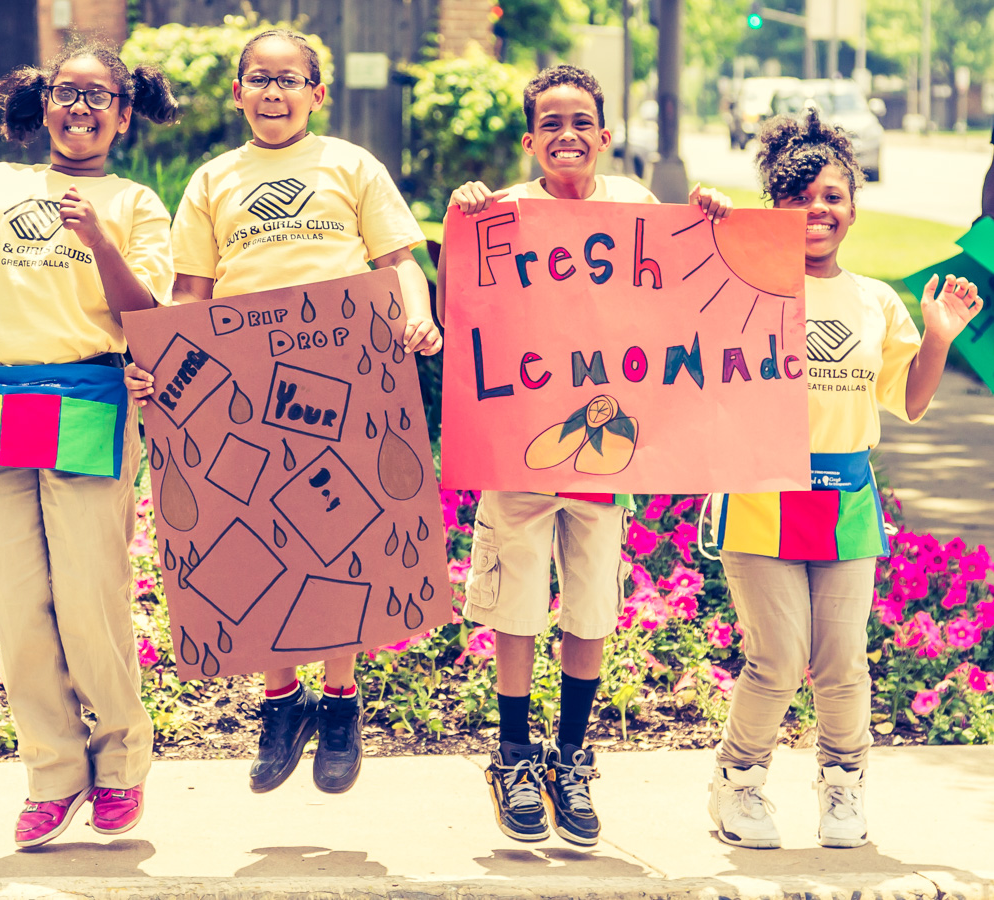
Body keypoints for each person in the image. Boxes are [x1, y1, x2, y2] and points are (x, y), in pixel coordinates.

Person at [124, 28, 441, 796]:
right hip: (240, 386)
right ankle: (278, 701)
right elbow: (190, 295)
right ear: (237, 93)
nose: (273, 92)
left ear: (315, 94)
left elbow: (398, 264)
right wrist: (161, 365)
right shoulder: (212, 180)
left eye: (289, 80)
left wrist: (419, 316)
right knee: (257, 528)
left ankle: (338, 701)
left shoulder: (350, 166)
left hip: (345, 368)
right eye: (259, 80)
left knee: (342, 534)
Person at [437, 64, 731, 847]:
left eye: (581, 122)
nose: (566, 135)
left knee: (590, 606)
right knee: (515, 603)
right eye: (550, 124)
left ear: (604, 135)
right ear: (530, 140)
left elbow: (685, 292)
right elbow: (459, 313)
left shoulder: (637, 208)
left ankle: (570, 755)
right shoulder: (500, 214)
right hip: (520, 453)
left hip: (606, 458)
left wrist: (709, 219)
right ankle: (511, 753)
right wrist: (458, 226)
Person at [0, 40, 178, 849]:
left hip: (87, 396)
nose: (80, 109)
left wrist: (99, 240)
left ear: (123, 114)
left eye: (99, 98)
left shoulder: (136, 203)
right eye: (68, 93)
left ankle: (122, 762)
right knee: (16, 606)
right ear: (45, 101)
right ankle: (52, 771)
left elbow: (148, 318)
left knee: (90, 598)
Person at [708, 107, 983, 850]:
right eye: (797, 198)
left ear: (851, 207)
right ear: (775, 209)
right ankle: (737, 784)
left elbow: (912, 400)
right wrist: (713, 228)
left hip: (845, 501)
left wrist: (938, 336)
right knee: (774, 658)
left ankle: (842, 785)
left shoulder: (875, 300)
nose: (816, 211)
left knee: (840, 662)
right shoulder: (742, 284)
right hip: (761, 495)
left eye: (830, 196)